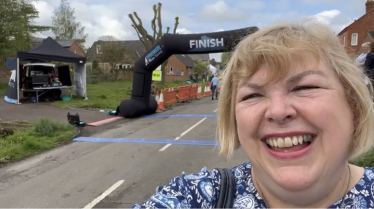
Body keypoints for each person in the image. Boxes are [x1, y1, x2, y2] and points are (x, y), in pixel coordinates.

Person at [132, 20, 374, 208]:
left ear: (353, 102)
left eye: (304, 87)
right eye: (252, 96)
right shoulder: (196, 197)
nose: (278, 111)